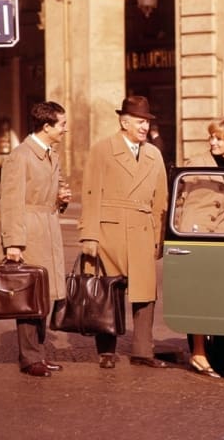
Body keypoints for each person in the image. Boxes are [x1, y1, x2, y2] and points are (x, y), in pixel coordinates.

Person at [78, 95, 169, 370]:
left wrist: (158, 239)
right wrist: (89, 235)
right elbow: (91, 194)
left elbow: (161, 200)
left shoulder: (154, 154)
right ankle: (106, 351)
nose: (144, 127)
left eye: (147, 122)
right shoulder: (102, 149)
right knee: (108, 291)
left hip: (142, 230)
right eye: (140, 121)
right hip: (109, 231)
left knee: (145, 295)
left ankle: (143, 351)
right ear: (124, 121)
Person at [0, 101, 72, 377]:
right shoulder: (20, 157)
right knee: (29, 297)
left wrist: (60, 200)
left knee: (44, 296)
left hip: (48, 228)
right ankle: (30, 358)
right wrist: (14, 243)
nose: (65, 130)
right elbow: (11, 202)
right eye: (62, 125)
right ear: (47, 126)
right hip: (29, 233)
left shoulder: (51, 154)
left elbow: (47, 195)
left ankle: (38, 353)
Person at [178, 116, 224, 377]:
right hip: (196, 236)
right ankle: (198, 352)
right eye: (211, 137)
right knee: (199, 294)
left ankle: (214, 349)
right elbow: (181, 200)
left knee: (219, 295)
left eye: (218, 138)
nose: (212, 142)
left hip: (222, 237)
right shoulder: (196, 163)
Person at [0, 117, 20, 181]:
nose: (4, 128)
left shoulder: (12, 135)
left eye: (6, 126)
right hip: (1, 157)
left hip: (9, 157)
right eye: (3, 126)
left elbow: (16, 146)